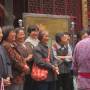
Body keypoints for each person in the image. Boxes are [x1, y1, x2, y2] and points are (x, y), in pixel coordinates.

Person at [2, 26, 29, 90]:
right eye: (12, 32)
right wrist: (24, 67)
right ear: (6, 34)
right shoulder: (6, 45)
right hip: (14, 76)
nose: (14, 34)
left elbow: (20, 57)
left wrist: (25, 64)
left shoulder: (13, 44)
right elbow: (13, 60)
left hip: (20, 76)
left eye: (14, 32)